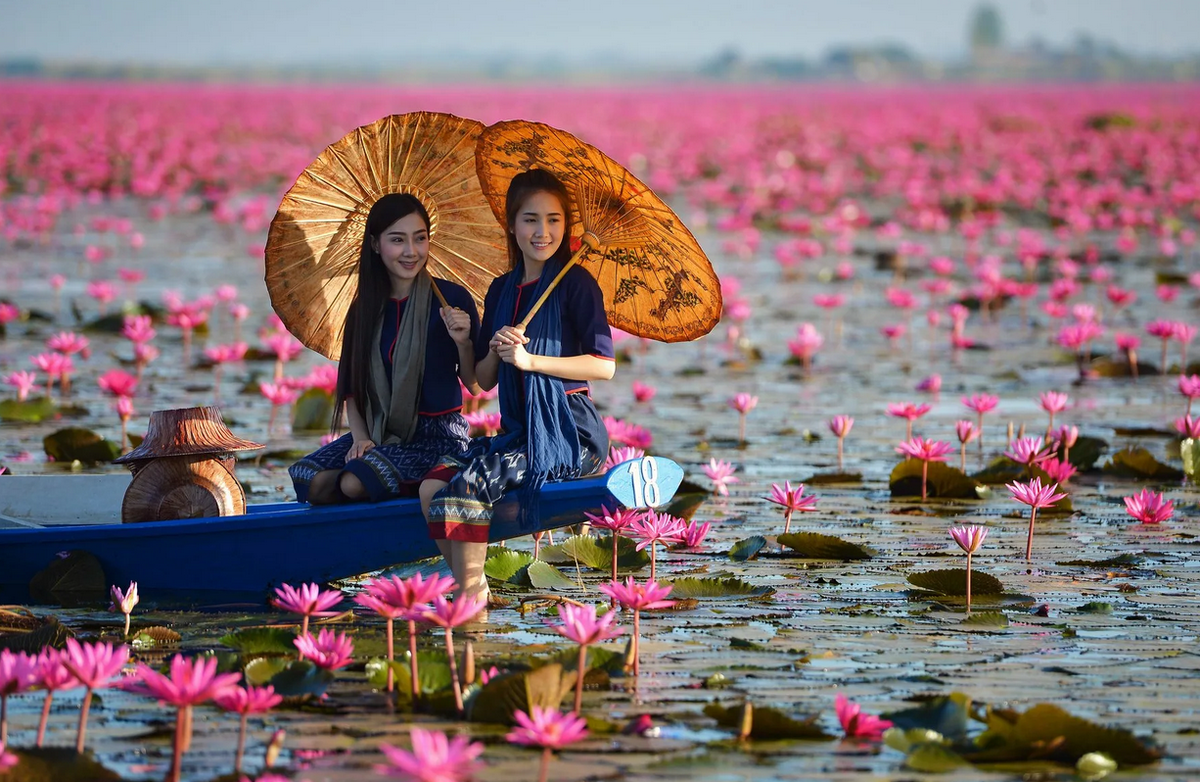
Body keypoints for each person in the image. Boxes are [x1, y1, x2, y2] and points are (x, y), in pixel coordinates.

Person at [424, 169, 615, 603]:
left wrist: (531, 361)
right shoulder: (501, 290)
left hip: (570, 434)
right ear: (511, 224)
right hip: (519, 432)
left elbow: (604, 367)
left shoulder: (576, 284)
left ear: (566, 226)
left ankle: (470, 603)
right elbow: (483, 381)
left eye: (554, 220)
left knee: (468, 486)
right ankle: (477, 589)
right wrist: (480, 346)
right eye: (531, 219)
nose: (542, 231)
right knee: (432, 485)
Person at [289, 193, 480, 506]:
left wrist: (464, 343)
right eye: (397, 240)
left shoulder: (450, 299)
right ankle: (375, 488)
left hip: (437, 438)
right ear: (376, 245)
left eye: (420, 239)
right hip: (380, 430)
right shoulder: (364, 309)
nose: (411, 251)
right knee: (308, 478)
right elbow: (352, 390)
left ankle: (386, 486)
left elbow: (474, 383)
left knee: (353, 482)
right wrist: (362, 438)